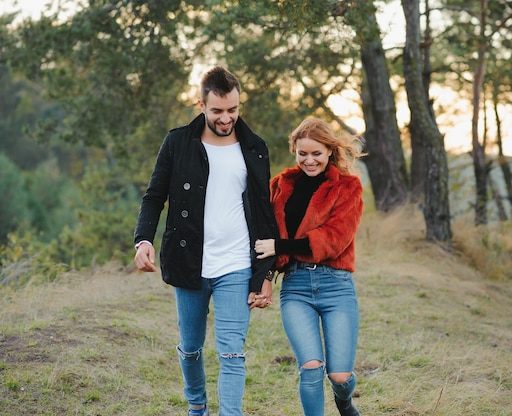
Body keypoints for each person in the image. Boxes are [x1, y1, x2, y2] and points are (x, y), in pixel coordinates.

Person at [133, 66, 278, 416]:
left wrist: (266, 274)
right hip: (189, 263)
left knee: (232, 351)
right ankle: (196, 406)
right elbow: (154, 197)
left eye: (232, 110)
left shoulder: (255, 147)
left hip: (236, 265)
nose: (226, 118)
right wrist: (143, 240)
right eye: (217, 111)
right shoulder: (177, 142)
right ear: (201, 104)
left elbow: (264, 212)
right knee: (191, 348)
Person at [255, 117, 365, 416]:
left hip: (337, 287)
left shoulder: (348, 187)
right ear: (294, 151)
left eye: (316, 153)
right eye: (302, 153)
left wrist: (282, 246)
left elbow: (334, 240)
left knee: (339, 376)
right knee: (311, 367)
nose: (309, 160)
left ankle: (344, 400)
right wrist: (263, 278)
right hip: (296, 287)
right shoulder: (279, 185)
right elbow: (262, 234)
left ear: (330, 151)